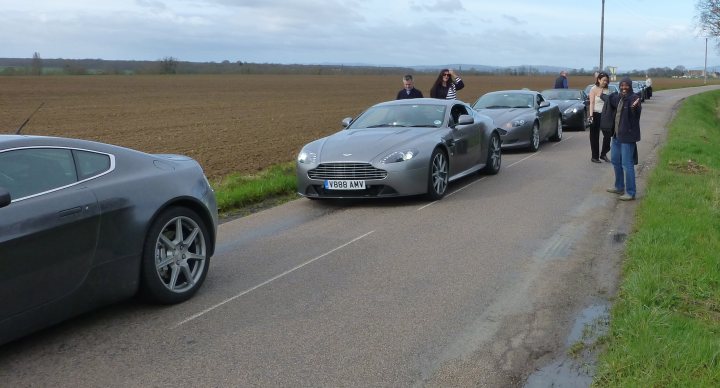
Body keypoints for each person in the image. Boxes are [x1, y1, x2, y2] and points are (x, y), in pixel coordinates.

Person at [601, 77, 642, 201]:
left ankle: (631, 192)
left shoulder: (634, 99)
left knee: (627, 164)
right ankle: (619, 187)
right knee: (615, 161)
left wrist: (635, 107)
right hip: (616, 136)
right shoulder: (618, 98)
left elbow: (636, 112)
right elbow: (608, 98)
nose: (624, 88)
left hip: (627, 137)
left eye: (627, 86)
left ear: (630, 86)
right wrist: (602, 89)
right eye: (622, 86)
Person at [587, 72, 612, 163]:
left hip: (605, 115)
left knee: (608, 135)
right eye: (603, 80)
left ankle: (603, 153)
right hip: (595, 114)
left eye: (606, 80)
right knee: (594, 136)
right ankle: (595, 157)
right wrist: (591, 116)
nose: (605, 82)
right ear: (598, 80)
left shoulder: (607, 90)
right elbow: (592, 103)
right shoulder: (593, 89)